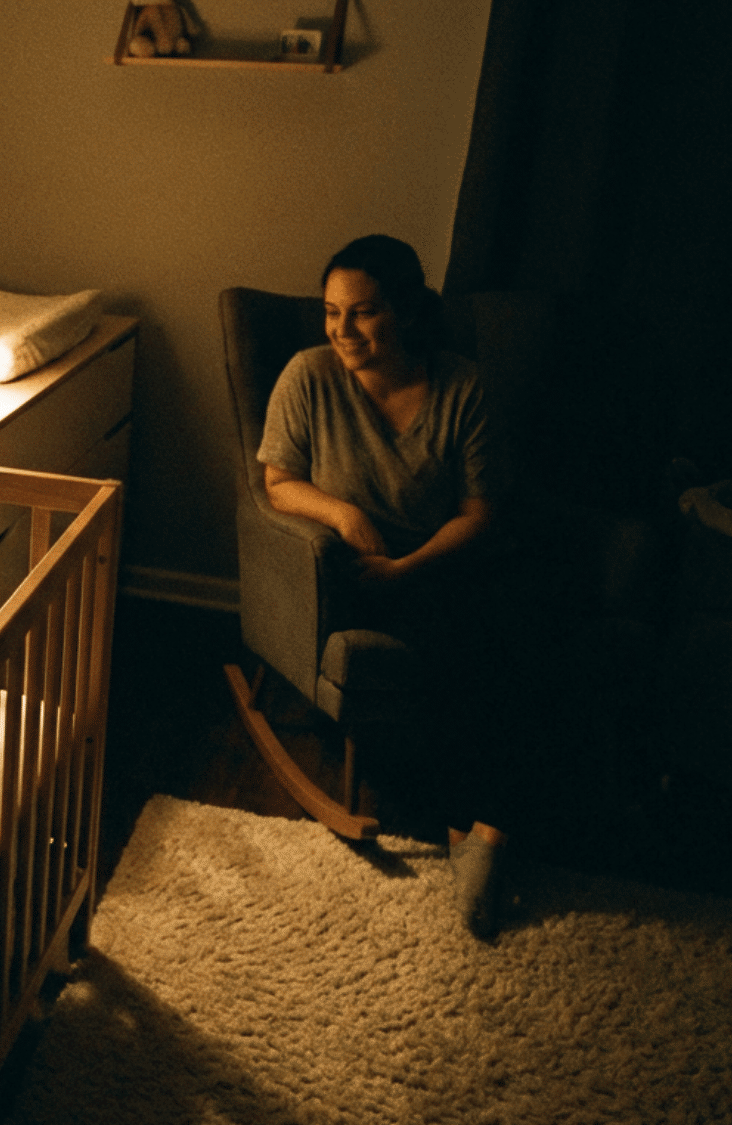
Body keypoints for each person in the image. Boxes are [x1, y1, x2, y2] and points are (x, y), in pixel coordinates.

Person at [255, 234, 518, 939]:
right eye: (332, 312)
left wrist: (412, 566)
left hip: (436, 563)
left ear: (405, 311)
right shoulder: (309, 377)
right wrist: (344, 513)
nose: (342, 331)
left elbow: (480, 513)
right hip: (354, 573)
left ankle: (482, 830)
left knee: (492, 631)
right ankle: (476, 829)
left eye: (363, 313)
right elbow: (277, 483)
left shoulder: (461, 386)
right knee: (456, 646)